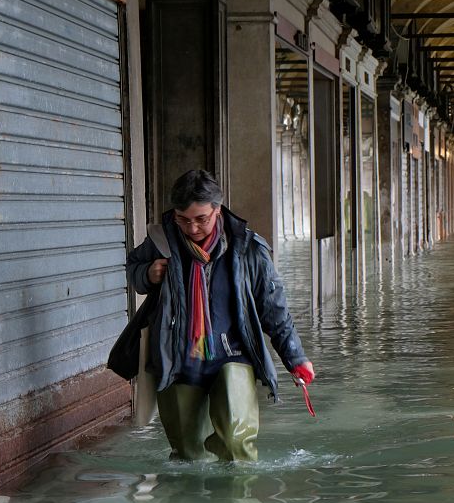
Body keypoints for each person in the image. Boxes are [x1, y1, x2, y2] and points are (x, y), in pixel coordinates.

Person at [126, 169, 314, 461]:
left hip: (233, 354)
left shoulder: (247, 248)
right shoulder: (162, 241)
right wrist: (148, 274)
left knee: (237, 446)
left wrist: (295, 358)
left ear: (217, 209)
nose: (192, 228)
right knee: (188, 455)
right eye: (183, 219)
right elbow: (133, 268)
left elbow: (273, 307)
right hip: (179, 357)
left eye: (201, 219)